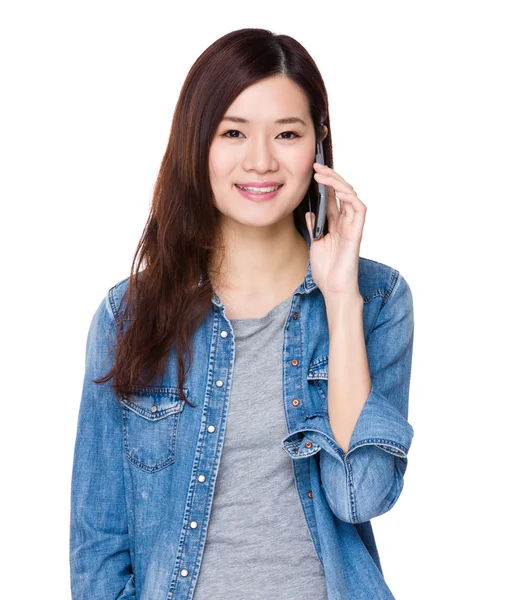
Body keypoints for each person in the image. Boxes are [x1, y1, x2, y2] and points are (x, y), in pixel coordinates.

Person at [69, 28, 415, 600]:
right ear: (197, 143)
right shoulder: (128, 316)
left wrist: (340, 298)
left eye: (286, 133)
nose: (260, 160)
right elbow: (98, 546)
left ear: (318, 146)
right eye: (233, 132)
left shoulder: (377, 300)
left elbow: (360, 494)